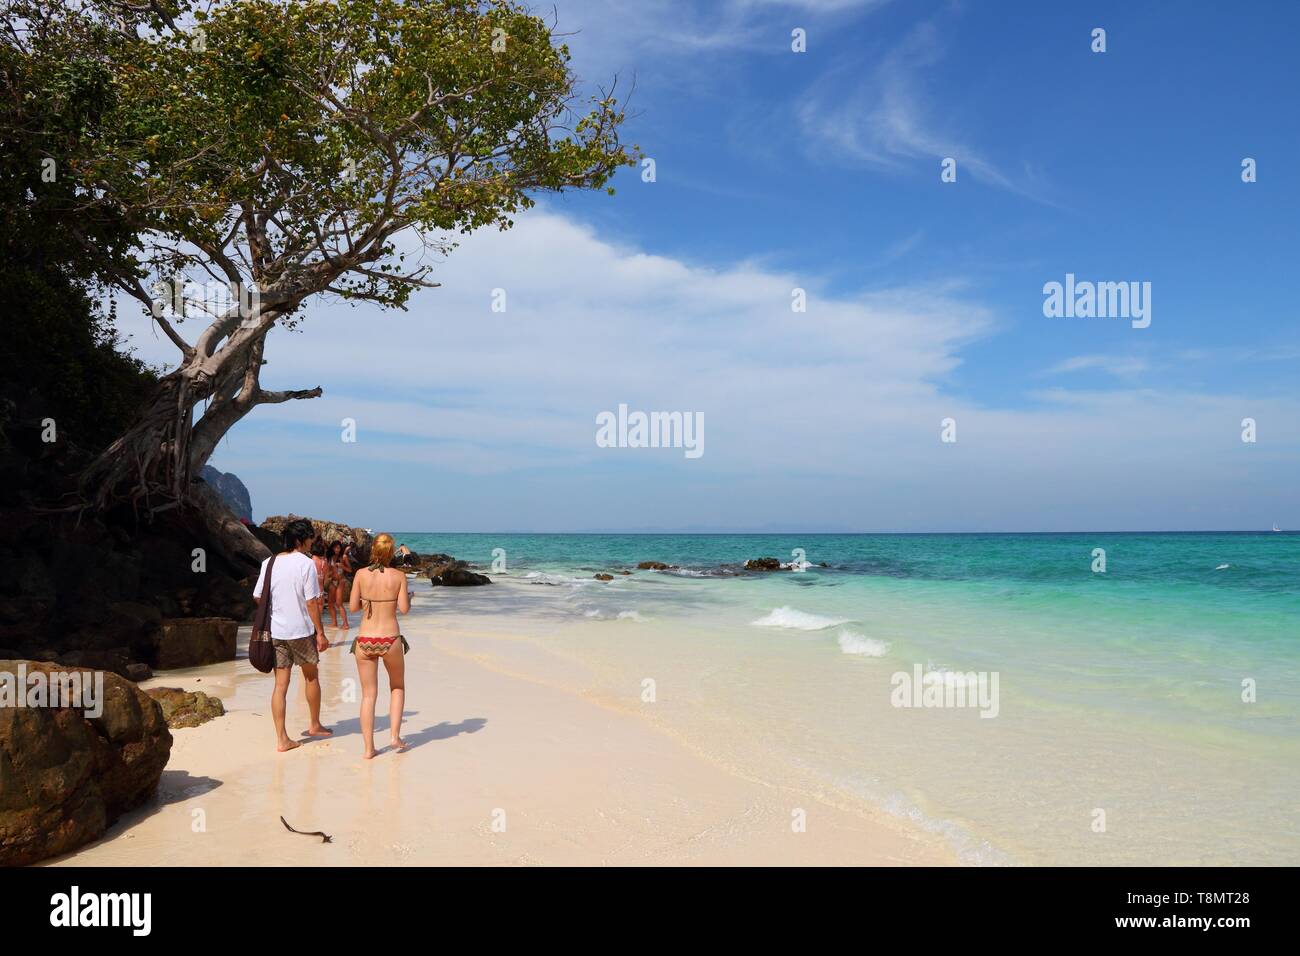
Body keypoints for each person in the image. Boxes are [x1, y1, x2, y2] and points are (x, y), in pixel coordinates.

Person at [252, 518, 332, 752]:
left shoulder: (269, 562)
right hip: (300, 631)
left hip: (275, 631)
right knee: (311, 676)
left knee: (280, 686)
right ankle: (315, 725)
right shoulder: (305, 563)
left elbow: (258, 596)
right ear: (300, 540)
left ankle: (282, 739)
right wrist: (321, 633)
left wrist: (278, 608)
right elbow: (311, 602)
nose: (311, 543)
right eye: (309, 539)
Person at [348, 533, 411, 758]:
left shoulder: (360, 574)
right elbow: (403, 609)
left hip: (365, 640)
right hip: (390, 638)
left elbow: (353, 607)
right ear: (391, 552)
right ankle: (394, 737)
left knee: (368, 695)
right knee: (397, 687)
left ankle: (368, 749)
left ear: (373, 550)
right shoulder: (399, 576)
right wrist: (408, 598)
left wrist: (368, 599)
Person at [327, 539, 352, 629]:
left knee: (339, 603)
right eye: (335, 548)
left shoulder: (343, 557)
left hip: (340, 581)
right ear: (332, 548)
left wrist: (342, 566)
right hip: (332, 581)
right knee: (330, 603)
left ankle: (345, 624)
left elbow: (350, 570)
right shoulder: (329, 558)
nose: (337, 549)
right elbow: (328, 572)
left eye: (338, 548)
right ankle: (334, 622)